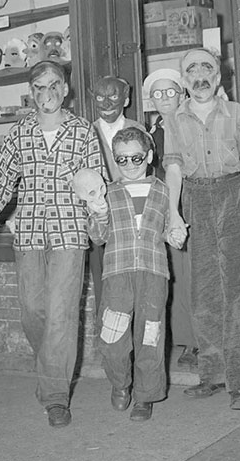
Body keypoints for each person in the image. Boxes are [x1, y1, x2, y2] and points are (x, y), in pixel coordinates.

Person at [0, 60, 105, 428]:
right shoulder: (19, 133)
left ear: (66, 89)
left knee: (61, 314)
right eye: (40, 87)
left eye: (55, 85)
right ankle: (51, 369)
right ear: (31, 93)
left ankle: (56, 397)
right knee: (33, 311)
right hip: (27, 233)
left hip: (70, 233)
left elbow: (96, 183)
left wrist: (99, 219)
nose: (48, 94)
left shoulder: (83, 131)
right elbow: (2, 184)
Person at [164, 47, 240, 411]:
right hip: (196, 199)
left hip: (233, 198)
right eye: (192, 70)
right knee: (203, 292)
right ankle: (211, 375)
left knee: (237, 292)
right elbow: (175, 169)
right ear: (184, 80)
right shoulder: (175, 120)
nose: (200, 76)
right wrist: (174, 214)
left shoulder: (235, 112)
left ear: (218, 76)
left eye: (206, 69)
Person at [87, 126, 176, 422]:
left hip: (153, 273)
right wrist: (97, 214)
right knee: (112, 338)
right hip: (117, 273)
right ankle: (120, 382)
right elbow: (97, 237)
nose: (129, 165)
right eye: (121, 160)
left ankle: (145, 396)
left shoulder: (165, 192)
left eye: (135, 158)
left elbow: (171, 230)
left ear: (149, 156)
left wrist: (175, 234)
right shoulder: (107, 193)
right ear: (115, 160)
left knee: (150, 337)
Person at [142, 68, 198, 369]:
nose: (164, 98)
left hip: (190, 205)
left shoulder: (190, 124)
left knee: (194, 275)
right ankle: (185, 338)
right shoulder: (153, 131)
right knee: (175, 274)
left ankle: (198, 341)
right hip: (165, 208)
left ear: (182, 93)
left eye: (170, 91)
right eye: (157, 93)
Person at [88, 75, 146, 313]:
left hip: (133, 218)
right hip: (100, 219)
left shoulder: (138, 130)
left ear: (126, 98)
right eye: (100, 97)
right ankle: (110, 342)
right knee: (105, 283)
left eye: (114, 96)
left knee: (137, 281)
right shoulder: (85, 132)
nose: (107, 103)